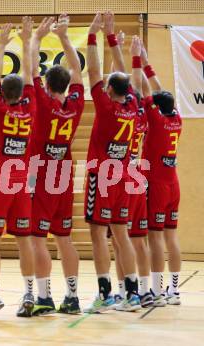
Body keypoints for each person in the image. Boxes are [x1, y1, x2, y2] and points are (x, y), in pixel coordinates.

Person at [0, 17, 36, 319]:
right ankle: (29, 294)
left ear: (1, 93)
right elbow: (30, 72)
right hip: (22, 182)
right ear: (22, 94)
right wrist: (27, 41)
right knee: (24, 239)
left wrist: (1, 44)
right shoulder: (31, 105)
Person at [83, 12, 141, 313]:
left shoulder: (106, 107)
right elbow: (124, 76)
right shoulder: (133, 105)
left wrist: (93, 35)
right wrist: (113, 41)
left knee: (97, 234)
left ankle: (105, 293)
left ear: (108, 91)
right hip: (123, 177)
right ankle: (132, 293)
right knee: (121, 233)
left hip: (102, 176)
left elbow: (93, 70)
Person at [29, 14, 84, 315]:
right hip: (65, 172)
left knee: (38, 238)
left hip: (42, 174)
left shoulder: (43, 102)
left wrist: (37, 38)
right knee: (65, 238)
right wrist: (64, 37)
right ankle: (72, 297)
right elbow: (77, 70)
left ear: (48, 84)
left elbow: (29, 67)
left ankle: (44, 297)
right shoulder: (74, 104)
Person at [110, 35, 153, 308]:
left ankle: (127, 291)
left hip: (121, 176)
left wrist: (115, 43)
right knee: (137, 239)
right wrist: (136, 57)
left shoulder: (115, 111)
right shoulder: (142, 112)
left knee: (118, 239)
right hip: (139, 175)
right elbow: (135, 84)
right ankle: (145, 290)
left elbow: (128, 84)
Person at [140, 45, 183, 306]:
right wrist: (149, 65)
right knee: (171, 237)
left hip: (157, 185)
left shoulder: (155, 120)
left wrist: (139, 61)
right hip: (173, 184)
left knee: (154, 237)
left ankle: (156, 290)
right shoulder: (177, 118)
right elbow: (160, 93)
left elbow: (147, 92)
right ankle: (174, 291)